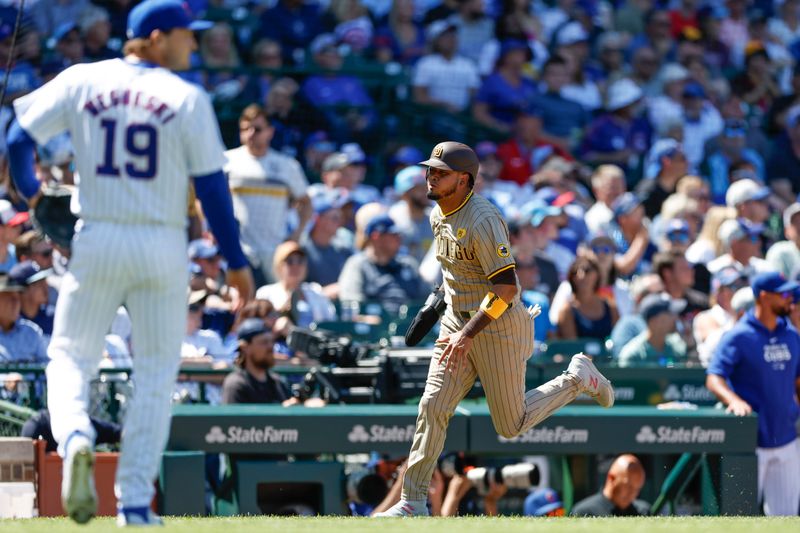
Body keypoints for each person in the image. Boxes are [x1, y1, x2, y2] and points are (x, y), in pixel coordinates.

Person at [6, 0, 255, 525]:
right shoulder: (187, 97)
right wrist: (235, 261)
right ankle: (136, 504)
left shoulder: (83, 79)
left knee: (70, 356)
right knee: (157, 373)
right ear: (157, 37)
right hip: (161, 245)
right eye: (187, 34)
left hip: (96, 236)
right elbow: (212, 189)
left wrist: (31, 192)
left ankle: (74, 437)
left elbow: (17, 136)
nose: (193, 42)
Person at [374, 141, 613, 517]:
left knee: (511, 423)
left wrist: (466, 335)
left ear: (464, 180)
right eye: (430, 170)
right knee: (432, 406)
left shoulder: (483, 220)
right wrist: (436, 304)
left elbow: (505, 289)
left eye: (441, 172)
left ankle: (576, 379)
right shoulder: (438, 212)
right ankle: (413, 502)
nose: (430, 177)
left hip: (498, 325)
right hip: (457, 319)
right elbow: (455, 271)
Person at [707, 271, 800, 516]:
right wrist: (734, 400)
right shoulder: (739, 336)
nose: (790, 299)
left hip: (787, 437)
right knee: (741, 519)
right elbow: (714, 377)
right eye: (785, 294)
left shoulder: (791, 335)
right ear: (765, 297)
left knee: (786, 519)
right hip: (751, 441)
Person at [224, 104, 311, 285]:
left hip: (275, 250)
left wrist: (296, 235)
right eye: (245, 129)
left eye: (257, 129)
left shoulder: (287, 165)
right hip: (240, 250)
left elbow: (306, 203)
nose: (250, 134)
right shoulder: (227, 162)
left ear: (270, 132)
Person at [338, 214, 428, 316]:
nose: (399, 238)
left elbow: (428, 298)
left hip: (412, 326)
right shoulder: (358, 265)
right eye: (393, 235)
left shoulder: (408, 265)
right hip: (376, 328)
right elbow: (351, 304)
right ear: (376, 237)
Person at [618, 293, 688, 367]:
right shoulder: (633, 356)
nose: (675, 318)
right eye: (670, 314)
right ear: (655, 321)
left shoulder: (677, 348)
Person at [571, 454, 650, 516]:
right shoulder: (584, 512)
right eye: (628, 486)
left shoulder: (643, 511)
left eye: (637, 488)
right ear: (611, 478)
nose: (633, 493)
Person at [0, 274, 48, 363]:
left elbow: (46, 366)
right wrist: (4, 377)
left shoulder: (32, 331)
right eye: (9, 297)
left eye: (17, 298)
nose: (15, 303)